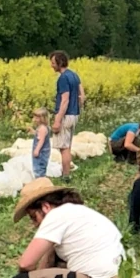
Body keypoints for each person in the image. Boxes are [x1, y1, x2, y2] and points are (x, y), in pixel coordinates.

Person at [10, 178, 124, 278]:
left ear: (45, 207)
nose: (35, 225)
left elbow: (26, 263)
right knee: (59, 263)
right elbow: (49, 261)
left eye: (34, 217)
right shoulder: (78, 212)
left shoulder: (55, 216)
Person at [49, 51, 84, 183]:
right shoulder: (74, 75)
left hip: (65, 116)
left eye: (53, 63)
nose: (52, 66)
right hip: (74, 115)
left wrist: (57, 120)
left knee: (64, 149)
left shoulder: (63, 78)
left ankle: (65, 176)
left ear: (60, 62)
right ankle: (67, 173)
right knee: (67, 147)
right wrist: (77, 107)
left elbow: (65, 100)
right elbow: (82, 95)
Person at [30, 107, 52, 178]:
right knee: (40, 168)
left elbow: (41, 140)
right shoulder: (43, 127)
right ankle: (41, 180)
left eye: (37, 118)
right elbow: (39, 135)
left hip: (41, 153)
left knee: (38, 169)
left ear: (42, 118)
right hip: (43, 153)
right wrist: (33, 132)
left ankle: (40, 181)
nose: (34, 119)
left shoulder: (42, 128)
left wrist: (37, 150)